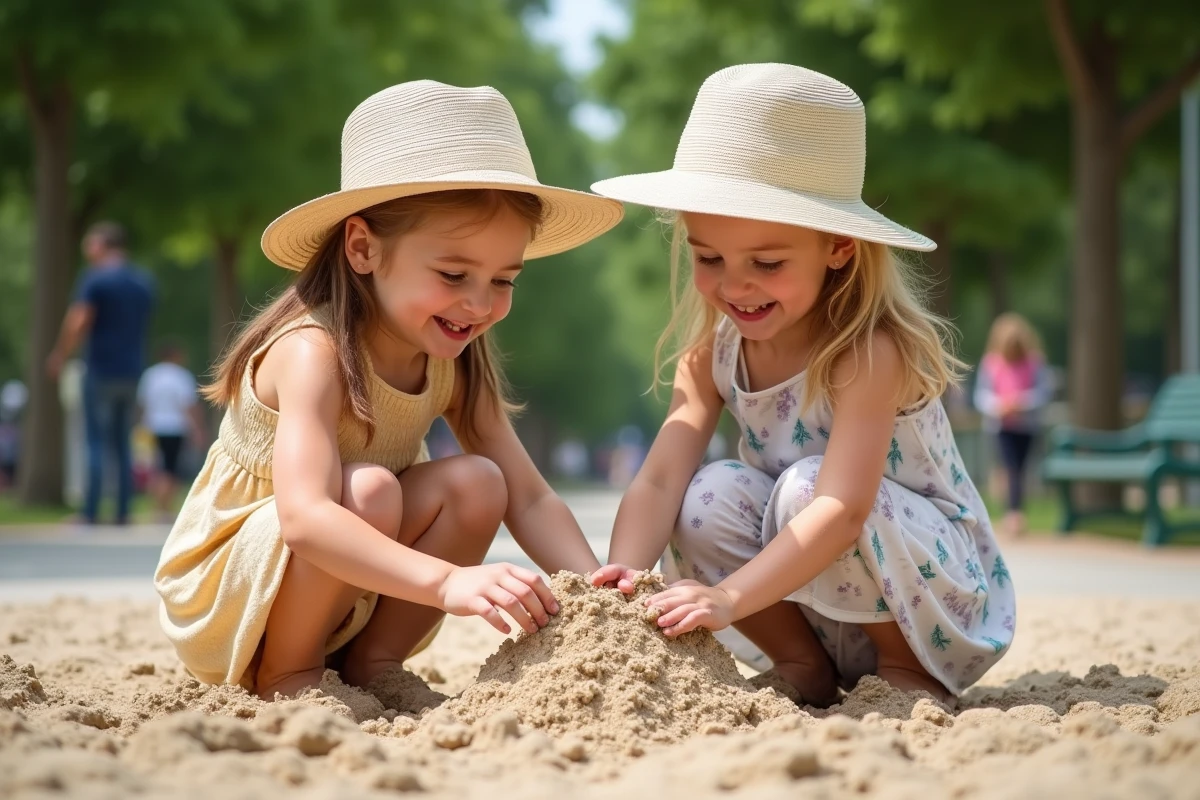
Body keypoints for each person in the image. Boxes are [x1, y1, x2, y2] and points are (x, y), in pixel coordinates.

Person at [154, 80, 623, 700]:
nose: (480, 303)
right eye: (454, 274)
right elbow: (307, 518)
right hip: (237, 588)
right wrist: (447, 583)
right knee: (370, 490)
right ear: (362, 247)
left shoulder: (453, 357)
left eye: (505, 279)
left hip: (354, 579)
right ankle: (287, 673)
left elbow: (529, 499)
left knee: (481, 481)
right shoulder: (312, 351)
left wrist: (597, 587)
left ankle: (371, 663)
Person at [591, 64, 1015, 705]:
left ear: (838, 248)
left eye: (767, 262)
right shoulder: (712, 356)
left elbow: (842, 510)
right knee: (707, 492)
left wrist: (728, 597)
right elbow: (658, 479)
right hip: (811, 593)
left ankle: (905, 672)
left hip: (929, 595)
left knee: (809, 488)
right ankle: (802, 663)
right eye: (710, 258)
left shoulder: (866, 351)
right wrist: (624, 571)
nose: (735, 286)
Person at [48, 222, 155, 525]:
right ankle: (123, 512)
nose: (86, 250)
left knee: (95, 441)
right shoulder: (142, 282)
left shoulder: (95, 280)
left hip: (100, 369)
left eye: (89, 243)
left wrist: (60, 354)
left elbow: (79, 320)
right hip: (132, 370)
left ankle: (91, 512)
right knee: (123, 442)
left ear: (103, 245)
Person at [974, 313, 1053, 537]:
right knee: (1009, 468)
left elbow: (1043, 393)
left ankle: (1015, 511)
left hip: (1027, 427)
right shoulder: (991, 363)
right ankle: (1014, 513)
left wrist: (1021, 402)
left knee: (1021, 469)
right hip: (1001, 427)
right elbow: (982, 397)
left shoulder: (1035, 362)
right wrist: (1001, 406)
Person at [137, 342, 206, 521]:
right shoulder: (181, 376)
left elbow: (143, 402)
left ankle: (157, 506)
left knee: (155, 468)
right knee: (171, 468)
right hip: (175, 427)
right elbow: (188, 405)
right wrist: (197, 429)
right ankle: (164, 508)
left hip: (152, 426)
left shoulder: (150, 375)